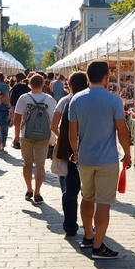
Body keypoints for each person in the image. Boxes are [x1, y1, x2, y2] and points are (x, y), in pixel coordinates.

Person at [68, 60, 132, 259]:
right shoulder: (113, 100)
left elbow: (72, 132)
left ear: (87, 77)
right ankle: (98, 246)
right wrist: (127, 154)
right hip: (107, 159)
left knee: (87, 197)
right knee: (103, 202)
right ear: (106, 77)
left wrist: (75, 151)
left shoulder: (77, 99)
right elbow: (122, 131)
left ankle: (88, 235)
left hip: (85, 158)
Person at [50, 71, 88, 236]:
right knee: (88, 191)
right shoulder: (89, 101)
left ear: (70, 85)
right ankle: (88, 225)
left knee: (69, 188)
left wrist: (63, 137)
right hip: (88, 149)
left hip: (67, 150)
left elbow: (53, 126)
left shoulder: (64, 100)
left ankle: (70, 224)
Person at [13, 73, 56, 204]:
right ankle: (37, 192)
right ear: (43, 84)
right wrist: (53, 137)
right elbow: (53, 121)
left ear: (29, 84)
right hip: (44, 136)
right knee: (40, 165)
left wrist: (16, 137)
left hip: (26, 135)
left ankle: (29, 189)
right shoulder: (50, 100)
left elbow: (17, 119)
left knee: (27, 164)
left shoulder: (24, 98)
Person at [9, 73, 31, 149]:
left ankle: (17, 140)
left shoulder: (15, 87)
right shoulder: (28, 88)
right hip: (27, 107)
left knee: (17, 124)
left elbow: (11, 98)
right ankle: (25, 139)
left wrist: (12, 106)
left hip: (16, 107)